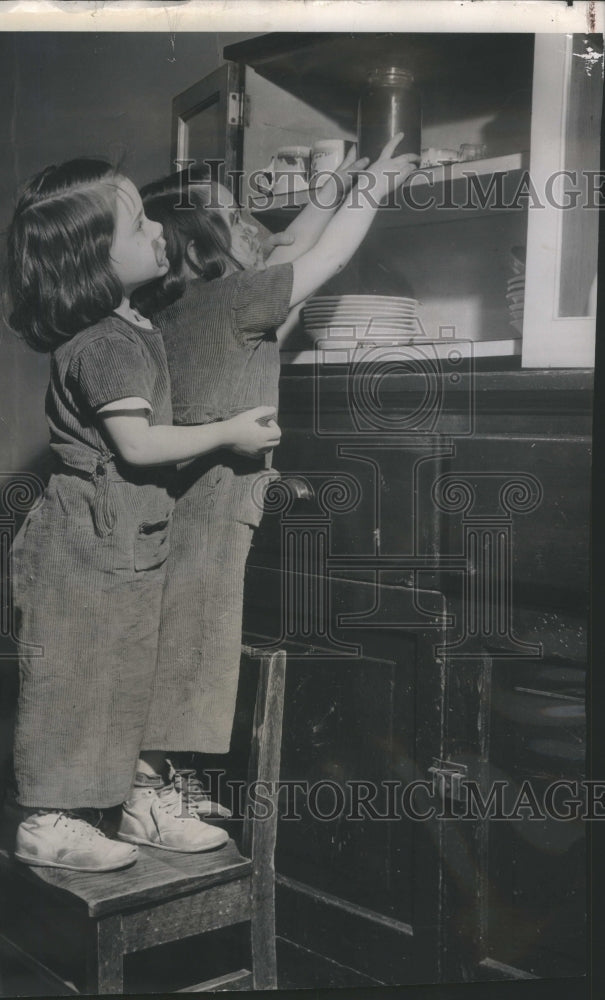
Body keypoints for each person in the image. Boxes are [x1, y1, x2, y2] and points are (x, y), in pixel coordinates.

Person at [5, 158, 281, 872]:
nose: (160, 228)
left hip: (120, 534)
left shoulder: (129, 323)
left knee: (127, 669)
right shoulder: (103, 342)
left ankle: (136, 797)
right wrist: (228, 432)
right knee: (75, 676)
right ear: (93, 260)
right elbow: (137, 442)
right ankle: (49, 818)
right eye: (139, 223)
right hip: (83, 538)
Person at [130, 135, 418, 809]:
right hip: (211, 502)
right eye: (233, 220)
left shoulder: (178, 305)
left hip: (175, 497)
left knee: (173, 633)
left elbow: (283, 250)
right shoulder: (235, 302)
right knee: (194, 638)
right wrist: (372, 184)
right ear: (202, 251)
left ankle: (155, 771)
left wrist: (331, 184)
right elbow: (320, 256)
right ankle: (149, 784)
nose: (251, 227)